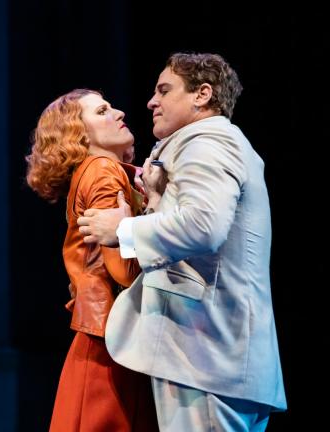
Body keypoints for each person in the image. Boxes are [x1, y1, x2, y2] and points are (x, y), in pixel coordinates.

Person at [76, 53, 287, 431]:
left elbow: (204, 226)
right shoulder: (212, 144)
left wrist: (122, 229)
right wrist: (156, 199)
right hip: (216, 357)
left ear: (202, 95)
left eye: (164, 90)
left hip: (206, 358)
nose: (151, 102)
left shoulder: (208, 142)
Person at [25, 89, 158, 431]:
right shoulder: (102, 170)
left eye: (111, 105)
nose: (118, 112)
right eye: (101, 111)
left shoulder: (98, 170)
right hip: (110, 342)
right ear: (80, 136)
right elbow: (125, 272)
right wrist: (134, 224)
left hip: (104, 338)